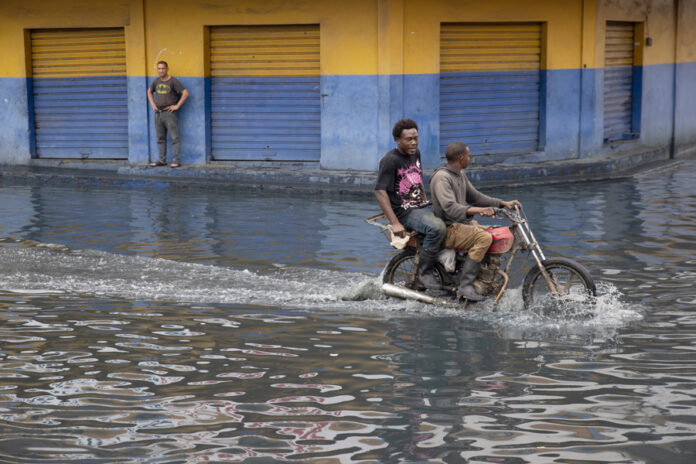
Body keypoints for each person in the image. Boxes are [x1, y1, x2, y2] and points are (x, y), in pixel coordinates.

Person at [430, 142, 522, 302]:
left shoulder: (459, 175)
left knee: (494, 232)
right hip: (448, 227)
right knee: (483, 238)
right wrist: (479, 210)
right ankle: (466, 286)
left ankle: (485, 276)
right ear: (460, 157)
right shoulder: (442, 178)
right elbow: (449, 208)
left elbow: (476, 197)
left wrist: (502, 203)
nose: (469, 158)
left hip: (461, 225)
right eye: (468, 155)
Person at [375, 119, 447, 290]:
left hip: (421, 206)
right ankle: (425, 272)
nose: (413, 142)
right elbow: (380, 191)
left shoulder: (416, 153)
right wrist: (395, 223)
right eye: (408, 139)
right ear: (397, 140)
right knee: (437, 228)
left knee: (456, 217)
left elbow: (417, 181)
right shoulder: (390, 160)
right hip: (404, 212)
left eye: (415, 138)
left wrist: (427, 203)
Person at [147, 61, 189, 168]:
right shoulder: (156, 81)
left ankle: (176, 161)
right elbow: (149, 91)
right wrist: (153, 104)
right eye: (159, 68)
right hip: (158, 114)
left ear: (167, 69)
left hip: (169, 113)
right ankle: (162, 160)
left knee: (175, 138)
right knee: (160, 138)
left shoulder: (173, 81)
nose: (161, 70)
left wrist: (177, 106)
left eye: (163, 68)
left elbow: (185, 93)